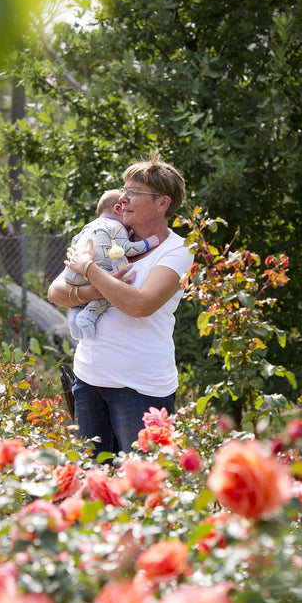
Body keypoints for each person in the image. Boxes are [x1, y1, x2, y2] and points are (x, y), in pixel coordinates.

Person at [47, 150, 194, 454]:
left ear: (162, 202)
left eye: (134, 192)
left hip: (141, 390)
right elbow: (56, 292)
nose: (122, 198)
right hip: (88, 382)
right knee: (93, 484)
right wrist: (94, 290)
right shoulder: (104, 236)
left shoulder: (177, 251)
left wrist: (89, 270)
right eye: (124, 190)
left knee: (141, 489)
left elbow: (140, 305)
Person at [64, 188, 159, 340]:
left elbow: (74, 243)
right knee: (112, 285)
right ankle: (89, 315)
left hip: (72, 273)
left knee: (87, 293)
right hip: (94, 269)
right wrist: (148, 243)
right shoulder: (115, 226)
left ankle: (74, 316)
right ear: (118, 209)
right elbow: (127, 249)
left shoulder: (87, 227)